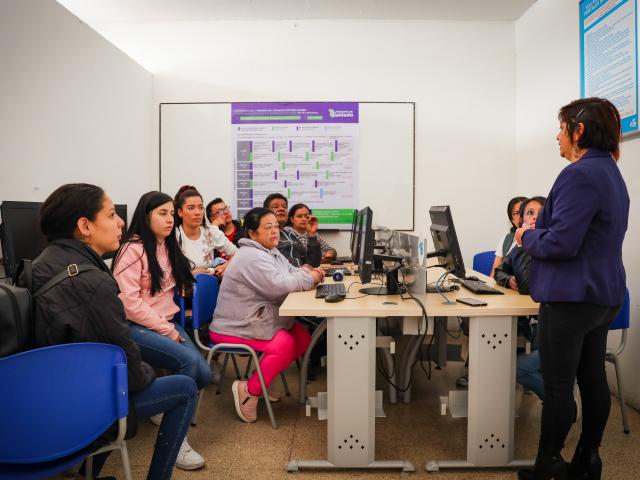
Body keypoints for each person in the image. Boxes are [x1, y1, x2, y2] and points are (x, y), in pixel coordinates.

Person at [31, 183, 198, 479]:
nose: (121, 221)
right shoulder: (93, 282)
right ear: (85, 226)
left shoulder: (42, 264)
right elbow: (130, 374)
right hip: (85, 405)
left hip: (55, 395)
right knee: (185, 387)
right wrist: (147, 369)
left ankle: (85, 471)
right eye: (111, 215)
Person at [515, 97, 629, 480]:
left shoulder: (579, 174)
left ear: (579, 131)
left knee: (559, 386)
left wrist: (526, 236)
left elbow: (561, 243)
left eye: (562, 128)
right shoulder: (611, 173)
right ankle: (587, 460)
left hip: (570, 297)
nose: (557, 136)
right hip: (602, 296)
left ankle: (548, 466)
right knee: (594, 379)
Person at [112, 191, 211, 470]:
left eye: (171, 213)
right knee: (188, 363)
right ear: (146, 216)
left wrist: (188, 281)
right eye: (162, 213)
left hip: (165, 321)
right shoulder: (133, 248)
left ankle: (161, 403)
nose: (170, 219)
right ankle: (177, 441)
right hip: (138, 326)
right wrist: (167, 330)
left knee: (204, 374)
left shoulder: (166, 244)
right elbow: (129, 304)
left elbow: (175, 279)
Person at [209, 207, 324, 423]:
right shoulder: (251, 256)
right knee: (285, 345)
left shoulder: (269, 250)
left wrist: (309, 273)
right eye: (267, 227)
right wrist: (312, 279)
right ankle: (249, 391)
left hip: (255, 318)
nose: (274, 231)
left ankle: (262, 378)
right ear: (252, 234)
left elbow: (289, 271)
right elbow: (279, 286)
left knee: (301, 337)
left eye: (276, 227)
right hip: (234, 326)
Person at [174, 185, 237, 277]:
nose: (198, 212)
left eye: (200, 207)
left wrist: (225, 266)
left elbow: (238, 254)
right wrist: (190, 275)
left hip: (207, 287)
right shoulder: (173, 235)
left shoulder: (211, 232)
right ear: (180, 212)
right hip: (181, 288)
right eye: (191, 208)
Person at [489, 196, 527, 277]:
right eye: (516, 213)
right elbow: (494, 274)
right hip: (503, 287)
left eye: (523, 211)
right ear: (512, 220)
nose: (520, 216)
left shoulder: (538, 241)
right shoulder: (506, 239)